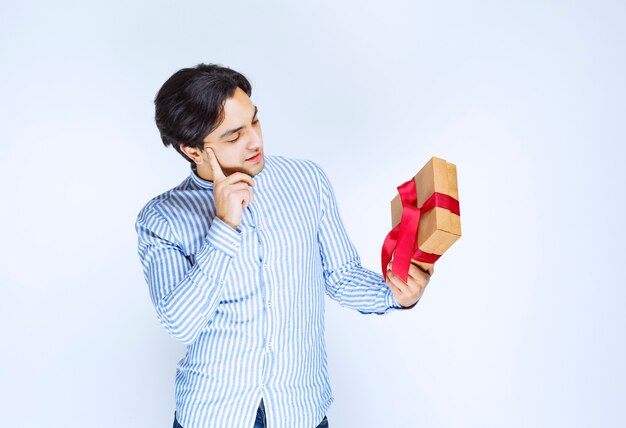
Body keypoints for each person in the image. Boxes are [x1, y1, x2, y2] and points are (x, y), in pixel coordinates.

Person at [134, 63, 431, 428]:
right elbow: (180, 323)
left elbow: (340, 275)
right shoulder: (162, 219)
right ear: (194, 151)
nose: (255, 141)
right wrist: (225, 226)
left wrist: (396, 295)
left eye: (255, 122)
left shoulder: (307, 180)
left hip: (300, 411)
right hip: (214, 416)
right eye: (233, 136)